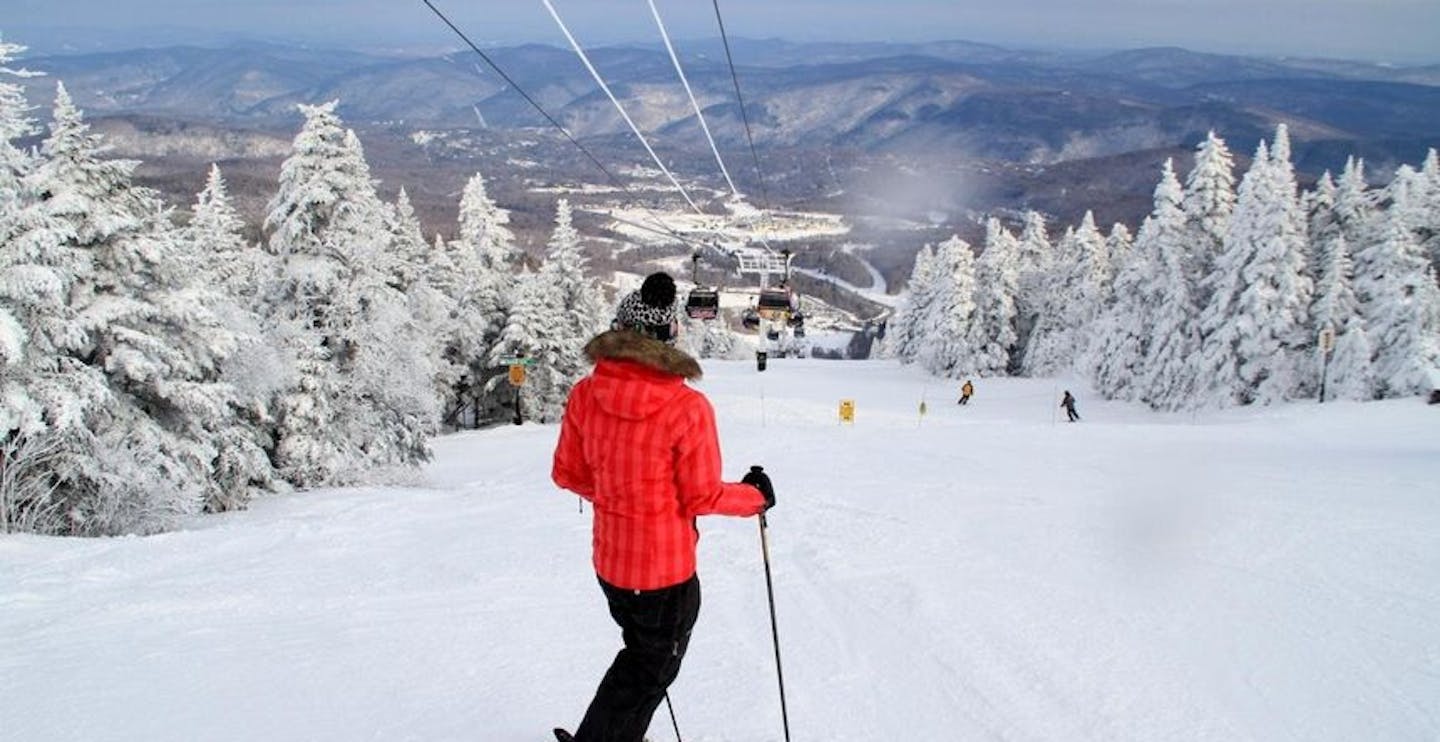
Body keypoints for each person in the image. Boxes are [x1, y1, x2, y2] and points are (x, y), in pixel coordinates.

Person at [552, 272, 775, 742]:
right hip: (665, 578)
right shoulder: (686, 407)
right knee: (650, 668)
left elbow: (568, 474)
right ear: (667, 337)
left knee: (642, 657)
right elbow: (702, 496)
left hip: (611, 567)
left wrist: (619, 493)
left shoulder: (586, 394)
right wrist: (755, 497)